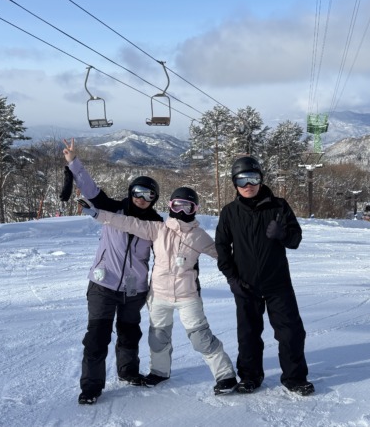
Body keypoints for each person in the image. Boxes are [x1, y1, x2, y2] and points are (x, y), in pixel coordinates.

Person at [80, 187, 238, 396]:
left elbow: (224, 254)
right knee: (157, 338)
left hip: (187, 296)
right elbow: (126, 222)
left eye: (187, 207)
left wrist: (248, 264)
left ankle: (225, 375)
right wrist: (97, 214)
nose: (181, 211)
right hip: (159, 295)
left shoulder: (199, 236)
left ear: (195, 209)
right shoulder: (158, 229)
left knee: (200, 337)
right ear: (170, 206)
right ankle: (159, 372)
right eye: (177, 205)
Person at [62, 138, 163, 405]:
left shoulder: (156, 223)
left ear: (155, 199)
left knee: (129, 333)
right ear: (131, 192)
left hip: (134, 288)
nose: (142, 199)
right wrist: (73, 163)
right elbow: (91, 190)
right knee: (97, 336)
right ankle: (91, 387)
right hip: (103, 284)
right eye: (139, 192)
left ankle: (128, 372)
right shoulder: (113, 209)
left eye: (149, 195)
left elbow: (163, 256)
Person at [214, 156, 315, 396]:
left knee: (291, 332)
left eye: (253, 178)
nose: (248, 185)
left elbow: (295, 240)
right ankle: (250, 376)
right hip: (245, 284)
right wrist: (232, 279)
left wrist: (282, 234)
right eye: (242, 180)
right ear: (235, 183)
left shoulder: (279, 206)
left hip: (277, 283)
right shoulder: (229, 212)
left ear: (261, 179)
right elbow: (222, 247)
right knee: (248, 334)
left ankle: (294, 378)